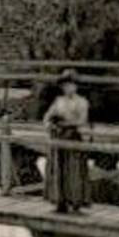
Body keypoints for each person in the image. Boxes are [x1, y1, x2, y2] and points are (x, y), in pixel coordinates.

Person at [43, 69, 90, 214]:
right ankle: (60, 202)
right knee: (58, 169)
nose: (68, 88)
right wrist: (51, 124)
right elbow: (46, 117)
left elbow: (82, 120)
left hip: (73, 137)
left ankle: (76, 203)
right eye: (65, 85)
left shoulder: (82, 102)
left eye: (71, 85)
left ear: (76, 86)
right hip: (59, 137)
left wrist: (66, 123)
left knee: (74, 170)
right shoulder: (58, 101)